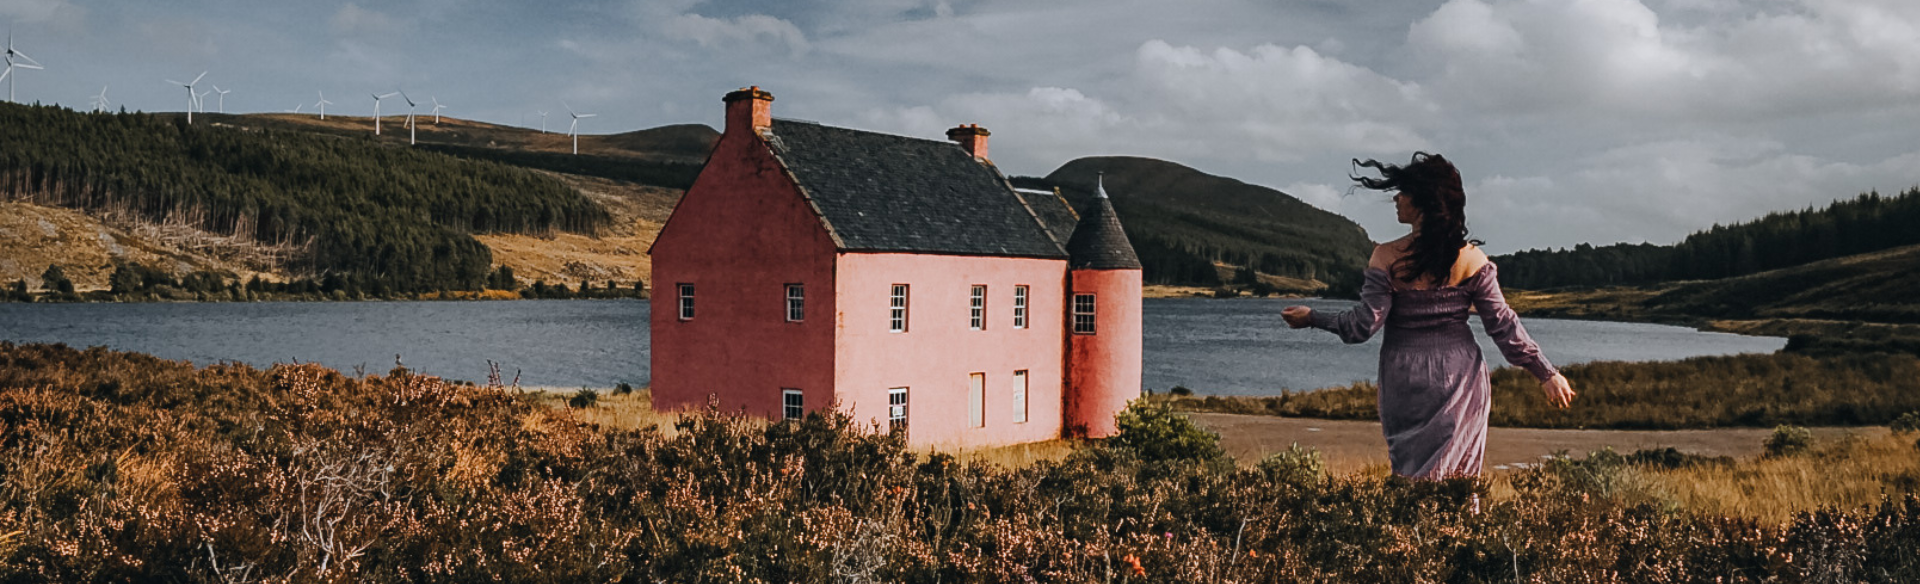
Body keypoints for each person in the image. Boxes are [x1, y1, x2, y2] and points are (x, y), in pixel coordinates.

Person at [1282, 153, 1575, 480]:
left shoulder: (1386, 256)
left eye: (1403, 192)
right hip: (1460, 380)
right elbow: (1503, 326)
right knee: (1458, 487)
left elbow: (1363, 326)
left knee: (1410, 484)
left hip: (1404, 381)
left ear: (1422, 201)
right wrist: (1545, 373)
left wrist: (1312, 317)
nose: (1396, 198)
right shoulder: (1472, 259)